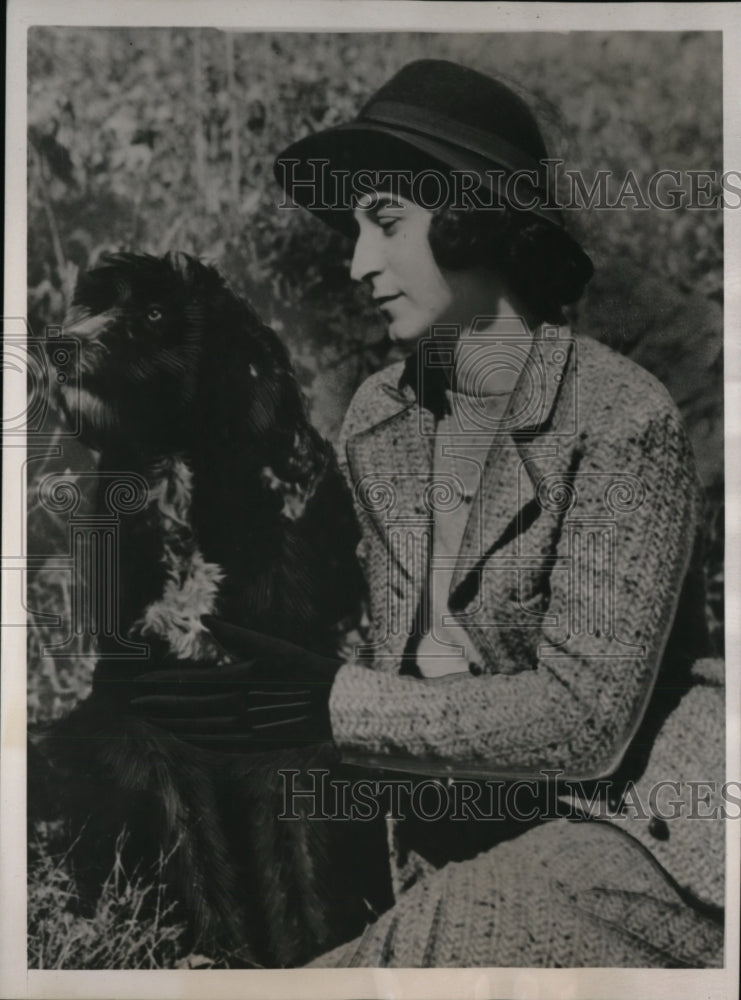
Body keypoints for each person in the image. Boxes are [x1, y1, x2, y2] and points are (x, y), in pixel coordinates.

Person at [133, 60, 724, 967]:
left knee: (421, 950)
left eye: (385, 224)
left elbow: (585, 725)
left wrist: (329, 702)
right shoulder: (382, 416)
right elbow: (399, 669)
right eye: (352, 230)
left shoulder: (619, 419)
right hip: (470, 843)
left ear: (468, 219)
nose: (357, 263)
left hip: (639, 837)